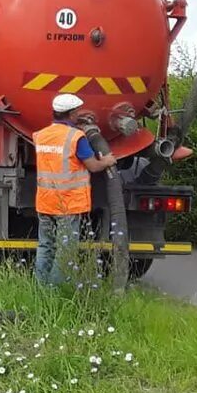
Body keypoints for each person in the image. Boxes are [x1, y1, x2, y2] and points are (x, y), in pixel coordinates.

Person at [32, 93, 117, 286]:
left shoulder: (40, 135)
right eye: (77, 111)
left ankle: (40, 288)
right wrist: (107, 161)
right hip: (68, 203)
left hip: (45, 201)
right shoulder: (76, 137)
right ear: (71, 114)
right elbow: (93, 166)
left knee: (45, 245)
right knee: (66, 249)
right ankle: (55, 291)